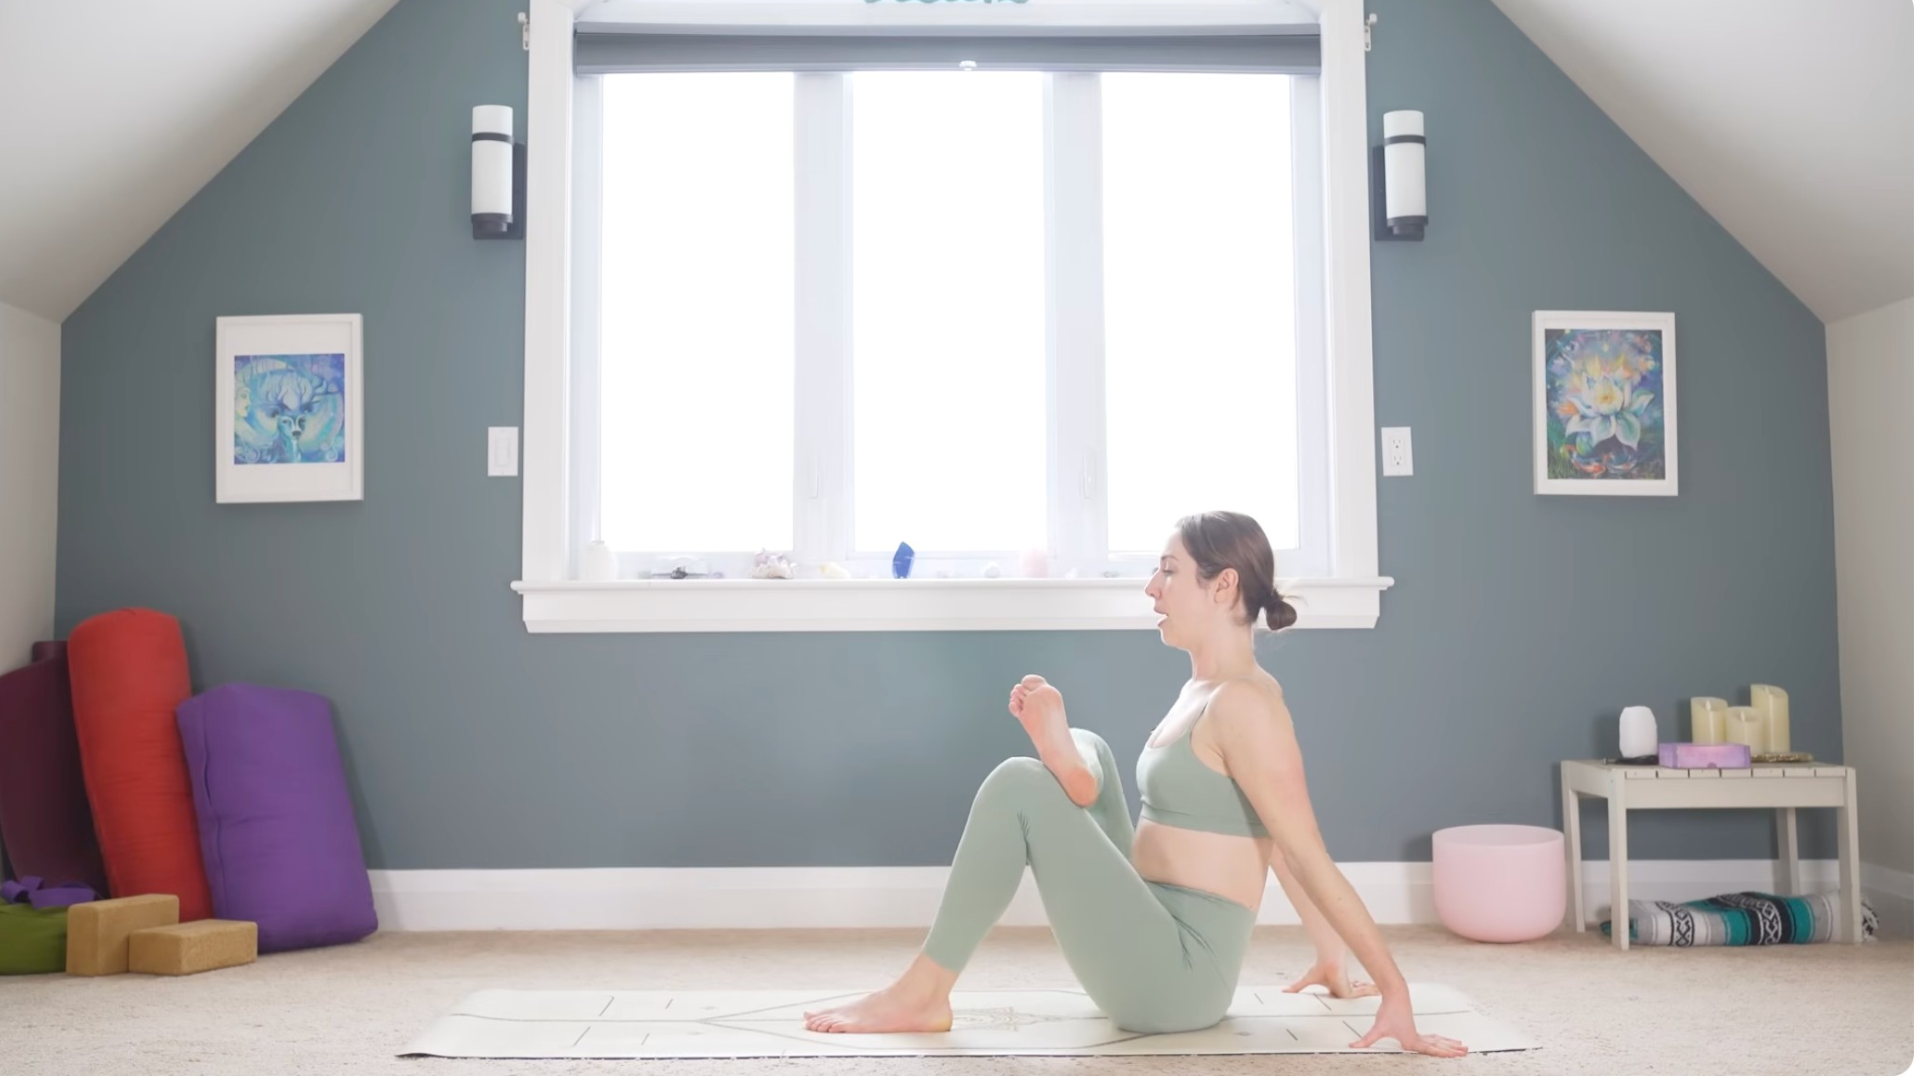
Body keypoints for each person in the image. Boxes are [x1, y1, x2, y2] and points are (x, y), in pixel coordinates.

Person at [803, 511, 1466, 1057]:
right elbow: (1273, 837)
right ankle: (1075, 767)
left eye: (1169, 571)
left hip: (1177, 978)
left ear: (1224, 587)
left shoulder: (1246, 705)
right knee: (1090, 748)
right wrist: (1329, 959)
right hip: (1151, 920)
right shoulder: (1205, 690)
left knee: (1018, 785)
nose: (1152, 588)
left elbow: (1304, 851)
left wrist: (1394, 990)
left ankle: (924, 991)